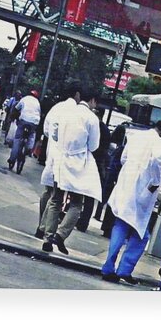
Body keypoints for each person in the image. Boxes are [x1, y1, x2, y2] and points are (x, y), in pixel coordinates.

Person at [101, 120, 161, 284]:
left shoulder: (136, 136)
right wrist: (155, 182)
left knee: (120, 226)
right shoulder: (158, 143)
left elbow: (124, 158)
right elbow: (158, 161)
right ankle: (125, 269)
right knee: (141, 235)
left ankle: (109, 267)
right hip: (142, 191)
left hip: (126, 186)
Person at [41, 86, 102, 255]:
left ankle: (48, 237)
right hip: (78, 163)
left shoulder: (66, 112)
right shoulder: (91, 118)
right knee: (76, 203)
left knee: (55, 199)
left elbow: (54, 133)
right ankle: (61, 234)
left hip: (60, 159)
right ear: (93, 101)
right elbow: (94, 146)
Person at [34, 83, 82, 240]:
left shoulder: (56, 107)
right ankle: (44, 227)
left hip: (52, 151)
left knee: (49, 192)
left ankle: (41, 225)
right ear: (76, 94)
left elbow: (47, 130)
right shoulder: (75, 111)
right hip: (65, 155)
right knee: (56, 196)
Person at [76, 108, 112, 232]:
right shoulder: (106, 131)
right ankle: (83, 222)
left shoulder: (92, 127)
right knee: (90, 196)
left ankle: (77, 218)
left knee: (78, 192)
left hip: (88, 162)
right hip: (98, 165)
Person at [97, 124, 128, 235]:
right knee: (113, 204)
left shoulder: (116, 148)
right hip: (116, 178)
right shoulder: (122, 148)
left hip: (111, 175)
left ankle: (103, 222)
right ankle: (108, 228)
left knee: (107, 200)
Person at [7, 89, 41, 170]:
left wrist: (12, 117)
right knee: (32, 135)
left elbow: (16, 108)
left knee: (17, 139)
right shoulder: (37, 103)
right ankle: (29, 148)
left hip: (23, 120)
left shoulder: (24, 99)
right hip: (34, 123)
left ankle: (12, 159)